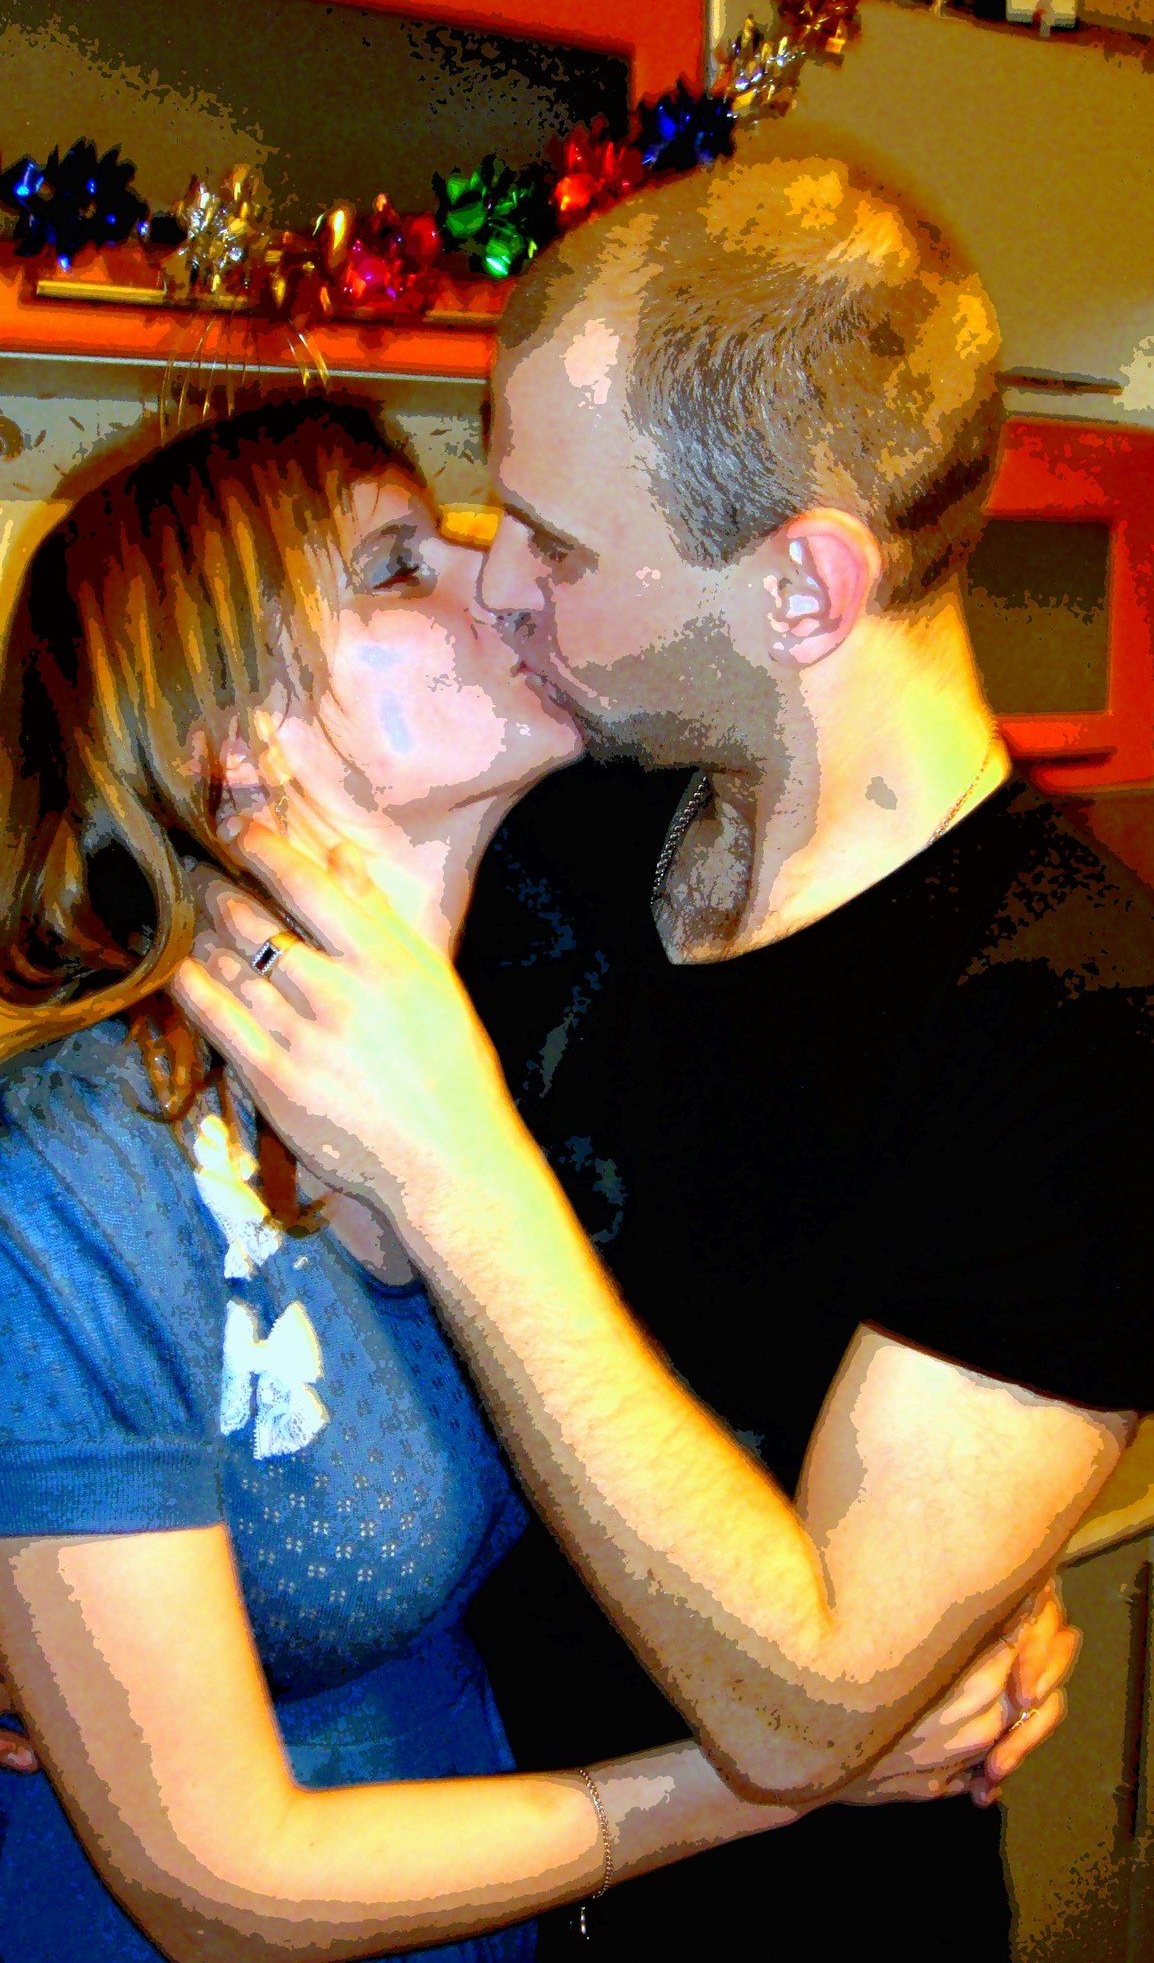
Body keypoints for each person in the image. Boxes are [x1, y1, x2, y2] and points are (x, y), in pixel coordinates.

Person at [160, 144, 1154, 1956]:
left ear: (802, 591)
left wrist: (464, 1176)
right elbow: (151, 1208)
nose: (495, 584)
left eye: (558, 543)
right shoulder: (562, 820)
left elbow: (804, 1710)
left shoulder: (1080, 1024)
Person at [0, 392, 1064, 1963]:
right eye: (393, 568)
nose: (501, 575)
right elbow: (214, 1881)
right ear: (225, 741)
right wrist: (781, 1773)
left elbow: (746, 1348)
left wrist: (947, 1573)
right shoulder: (77, 1168)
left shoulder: (551, 993)